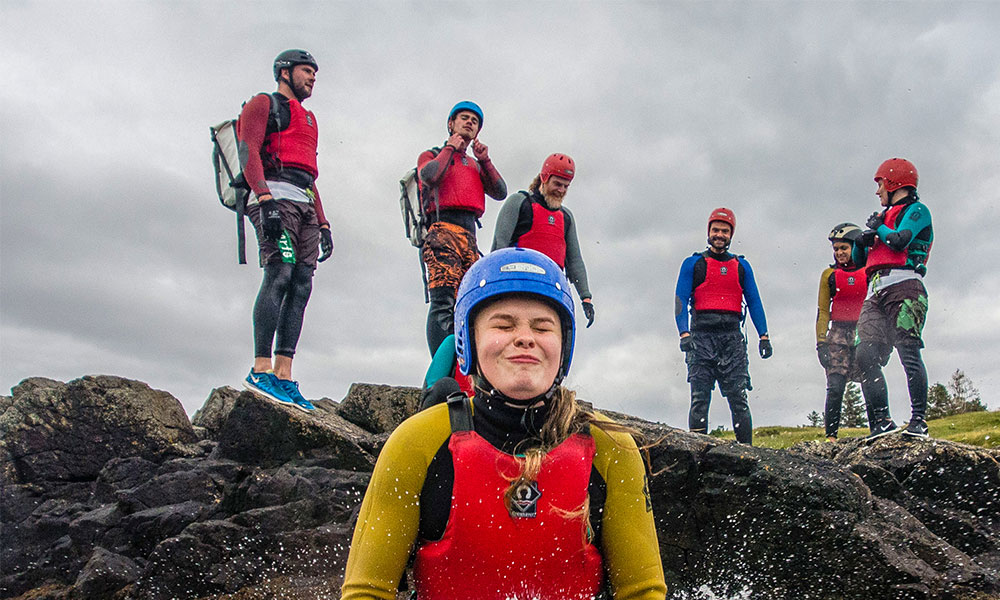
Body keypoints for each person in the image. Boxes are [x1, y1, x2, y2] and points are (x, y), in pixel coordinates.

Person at [341, 248, 666, 600]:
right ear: (470, 338)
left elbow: (643, 591)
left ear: (564, 345)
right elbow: (367, 591)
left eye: (542, 327)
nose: (525, 337)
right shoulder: (417, 442)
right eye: (503, 324)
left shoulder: (609, 449)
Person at [236, 49, 333, 412]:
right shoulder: (264, 103)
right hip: (274, 198)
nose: (312, 78)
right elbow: (249, 152)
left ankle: (284, 374)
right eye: (307, 71)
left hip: (304, 203)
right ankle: (260, 369)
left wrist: (323, 222)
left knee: (302, 284)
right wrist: (264, 198)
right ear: (284, 71)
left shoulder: (309, 119)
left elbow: (309, 175)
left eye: (315, 73)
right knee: (280, 274)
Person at [674, 208, 771, 445]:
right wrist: (684, 333)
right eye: (715, 230)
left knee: (739, 398)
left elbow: (754, 300)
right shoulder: (693, 263)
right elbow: (680, 299)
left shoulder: (741, 266)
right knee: (699, 398)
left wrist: (764, 335)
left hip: (732, 339)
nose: (719, 235)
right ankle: (697, 452)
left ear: (731, 235)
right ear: (709, 232)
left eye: (724, 231)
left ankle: (746, 451)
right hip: (701, 337)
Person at [853, 158, 933, 440]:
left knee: (907, 351)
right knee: (864, 354)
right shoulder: (881, 220)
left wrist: (879, 228)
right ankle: (881, 421)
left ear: (894, 182)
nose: (878, 192)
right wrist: (860, 244)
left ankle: (919, 420)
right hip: (875, 290)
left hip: (906, 286)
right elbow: (859, 261)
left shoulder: (917, 210)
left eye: (880, 184)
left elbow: (900, 241)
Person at [418, 101, 507, 356]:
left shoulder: (476, 165)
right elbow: (429, 176)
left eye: (474, 120)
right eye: (464, 118)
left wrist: (485, 160)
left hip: (469, 236)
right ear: (451, 124)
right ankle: (442, 364)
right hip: (442, 231)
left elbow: (500, 192)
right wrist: (449, 148)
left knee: (467, 301)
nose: (469, 122)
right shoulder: (432, 154)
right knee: (443, 300)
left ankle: (463, 361)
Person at [492, 153, 596, 327]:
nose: (561, 190)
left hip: (551, 290)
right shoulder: (519, 203)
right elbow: (498, 247)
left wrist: (586, 297)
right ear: (544, 178)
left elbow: (575, 260)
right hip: (518, 286)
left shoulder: (566, 217)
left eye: (565, 186)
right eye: (557, 184)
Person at [816, 223, 868, 442]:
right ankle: (831, 437)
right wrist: (821, 343)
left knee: (869, 381)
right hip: (837, 334)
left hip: (863, 332)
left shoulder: (869, 271)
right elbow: (822, 310)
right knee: (835, 386)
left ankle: (877, 428)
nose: (839, 253)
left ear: (855, 247)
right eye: (836, 249)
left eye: (843, 248)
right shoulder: (829, 275)